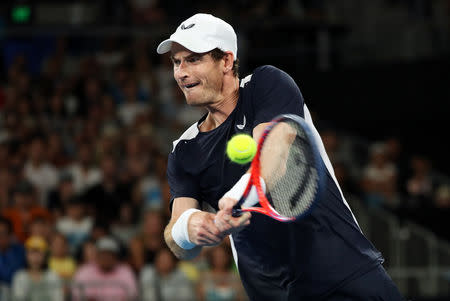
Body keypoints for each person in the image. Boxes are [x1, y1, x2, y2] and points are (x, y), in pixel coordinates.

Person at [158, 13, 405, 300]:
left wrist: (237, 197)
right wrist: (191, 228)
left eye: (193, 59)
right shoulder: (184, 151)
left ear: (226, 61)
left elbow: (274, 157)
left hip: (344, 273)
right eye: (177, 62)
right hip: (273, 293)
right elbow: (176, 239)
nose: (181, 72)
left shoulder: (267, 84)